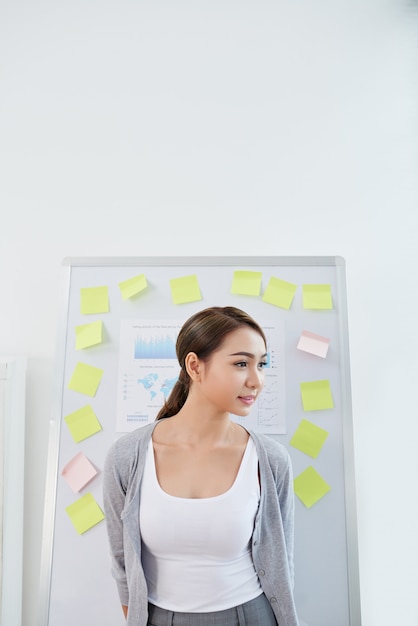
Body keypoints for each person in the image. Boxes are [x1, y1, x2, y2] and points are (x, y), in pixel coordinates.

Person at [103, 306, 299, 626]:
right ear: (195, 366)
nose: (256, 380)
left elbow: (282, 562)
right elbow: (122, 563)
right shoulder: (126, 457)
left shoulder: (271, 460)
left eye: (261, 365)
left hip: (250, 616)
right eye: (241, 363)